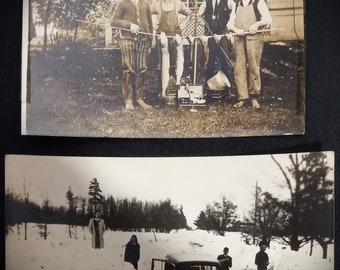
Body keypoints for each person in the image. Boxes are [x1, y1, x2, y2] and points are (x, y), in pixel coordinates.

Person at [227, 0, 272, 108]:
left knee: (253, 67)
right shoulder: (237, 4)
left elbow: (268, 19)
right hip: (239, 38)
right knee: (239, 68)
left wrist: (257, 24)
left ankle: (254, 97)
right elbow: (229, 23)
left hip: (254, 38)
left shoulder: (258, 2)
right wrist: (236, 30)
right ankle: (242, 97)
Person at [111, 0, 153, 110]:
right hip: (127, 39)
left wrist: (150, 39)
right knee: (128, 68)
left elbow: (150, 24)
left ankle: (139, 98)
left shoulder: (145, 4)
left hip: (143, 40)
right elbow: (114, 21)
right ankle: (128, 100)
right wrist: (129, 25)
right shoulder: (123, 3)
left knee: (142, 68)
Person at [150, 0, 193, 105]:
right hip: (163, 38)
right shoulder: (156, 4)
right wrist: (154, 27)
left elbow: (190, 13)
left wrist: (182, 27)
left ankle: (175, 90)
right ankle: (162, 92)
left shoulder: (178, 3)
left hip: (175, 37)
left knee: (176, 63)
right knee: (162, 65)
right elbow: (147, 13)